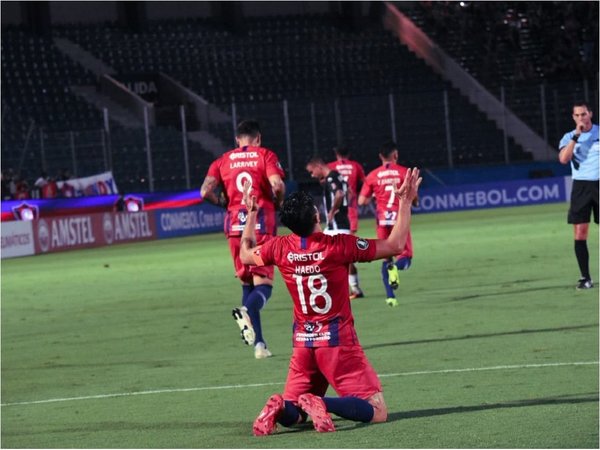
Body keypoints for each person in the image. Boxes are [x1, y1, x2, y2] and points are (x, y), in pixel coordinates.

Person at [238, 168, 422, 435]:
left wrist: (251, 213)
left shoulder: (277, 248)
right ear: (316, 215)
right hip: (337, 343)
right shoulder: (339, 246)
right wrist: (405, 202)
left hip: (303, 344)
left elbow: (245, 254)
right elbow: (394, 245)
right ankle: (321, 402)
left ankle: (280, 408)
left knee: (295, 411)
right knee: (376, 410)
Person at [200, 120, 285, 358]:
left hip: (235, 229)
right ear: (258, 139)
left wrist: (222, 203)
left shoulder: (223, 160)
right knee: (264, 286)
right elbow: (277, 184)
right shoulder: (265, 155)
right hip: (261, 226)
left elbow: (205, 191)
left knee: (247, 283)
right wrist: (278, 203)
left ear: (238, 139)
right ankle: (246, 310)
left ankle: (259, 345)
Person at [358, 141, 415, 307]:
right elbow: (414, 197)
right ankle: (396, 268)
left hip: (382, 220)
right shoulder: (405, 172)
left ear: (380, 157)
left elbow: (362, 201)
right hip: (399, 219)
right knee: (405, 257)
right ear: (395, 155)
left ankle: (390, 297)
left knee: (385, 256)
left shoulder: (372, 175)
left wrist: (375, 196)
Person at [306, 156, 364, 299]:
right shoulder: (337, 176)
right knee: (344, 258)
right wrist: (345, 206)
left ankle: (334, 289)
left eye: (312, 171)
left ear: (319, 166)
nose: (312, 175)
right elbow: (349, 192)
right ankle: (355, 289)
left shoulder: (331, 178)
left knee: (319, 254)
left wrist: (332, 211)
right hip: (337, 225)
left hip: (337, 226)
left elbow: (339, 194)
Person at [558, 101, 599, 290]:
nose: (581, 118)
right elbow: (563, 159)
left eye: (584, 114)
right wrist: (576, 136)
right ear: (574, 118)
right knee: (580, 233)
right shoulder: (569, 136)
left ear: (590, 113)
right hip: (581, 187)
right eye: (577, 115)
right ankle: (585, 278)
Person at [327, 146, 366, 234]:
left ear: (336, 154)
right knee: (352, 228)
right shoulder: (355, 165)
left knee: (336, 225)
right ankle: (348, 246)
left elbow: (325, 181)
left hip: (336, 200)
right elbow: (365, 182)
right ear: (348, 154)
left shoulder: (331, 166)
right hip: (351, 200)